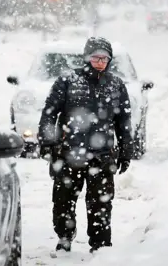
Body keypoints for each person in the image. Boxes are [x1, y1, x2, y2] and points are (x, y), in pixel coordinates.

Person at [37, 36, 133, 253]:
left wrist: (126, 150)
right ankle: (64, 237)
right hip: (68, 153)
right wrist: (48, 142)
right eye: (96, 57)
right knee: (63, 202)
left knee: (101, 204)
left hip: (102, 155)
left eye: (105, 58)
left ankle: (100, 246)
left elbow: (124, 122)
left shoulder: (116, 85)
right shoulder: (68, 81)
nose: (100, 62)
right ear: (87, 57)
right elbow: (49, 113)